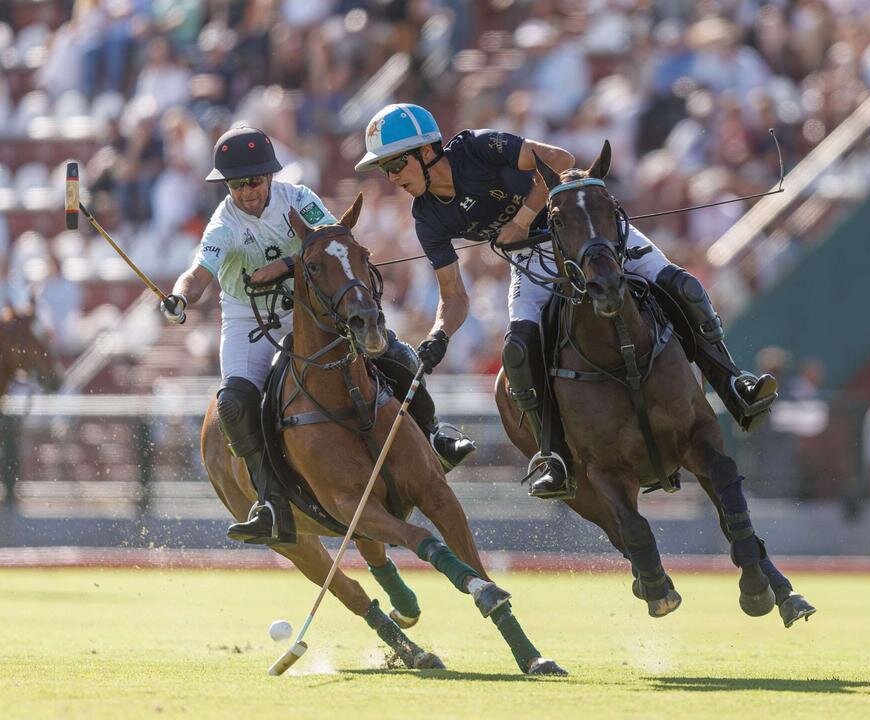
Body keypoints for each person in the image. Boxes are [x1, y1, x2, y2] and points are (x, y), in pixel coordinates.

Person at [355, 103, 777, 500]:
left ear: (427, 150)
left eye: (396, 163)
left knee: (683, 286)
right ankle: (554, 456)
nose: (392, 177)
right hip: (532, 262)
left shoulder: (478, 148)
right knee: (517, 351)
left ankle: (732, 383)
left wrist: (520, 221)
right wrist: (439, 335)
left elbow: (559, 159)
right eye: (385, 169)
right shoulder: (426, 216)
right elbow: (454, 295)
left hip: (585, 233)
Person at [160, 125, 475, 546]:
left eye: (254, 180)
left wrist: (286, 266)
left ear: (270, 176)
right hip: (249, 321)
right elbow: (198, 275)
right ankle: (270, 503)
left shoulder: (299, 199)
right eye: (237, 184)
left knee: (397, 355)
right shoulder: (224, 223)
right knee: (235, 404)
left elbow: (334, 242)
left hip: (311, 309)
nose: (247, 191)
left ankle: (434, 434)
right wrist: (179, 298)